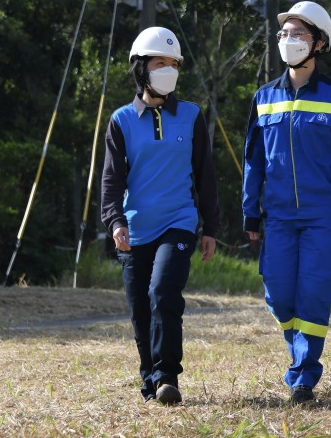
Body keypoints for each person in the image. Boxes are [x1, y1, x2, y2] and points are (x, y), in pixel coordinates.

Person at [242, 1, 331, 405]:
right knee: (279, 294)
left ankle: (303, 376)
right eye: (284, 34)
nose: (288, 40)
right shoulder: (264, 98)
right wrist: (249, 209)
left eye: (297, 34)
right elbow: (253, 160)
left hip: (324, 218)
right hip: (278, 216)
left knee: (314, 293)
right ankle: (297, 355)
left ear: (318, 43)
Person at [101, 26, 220, 405]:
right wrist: (115, 221)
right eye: (159, 62)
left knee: (162, 292)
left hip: (179, 222)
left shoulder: (191, 115)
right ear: (141, 68)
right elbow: (111, 180)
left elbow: (205, 176)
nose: (167, 69)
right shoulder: (120, 120)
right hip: (135, 229)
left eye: (173, 63)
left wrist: (210, 227)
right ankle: (149, 379)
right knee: (139, 308)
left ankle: (168, 375)